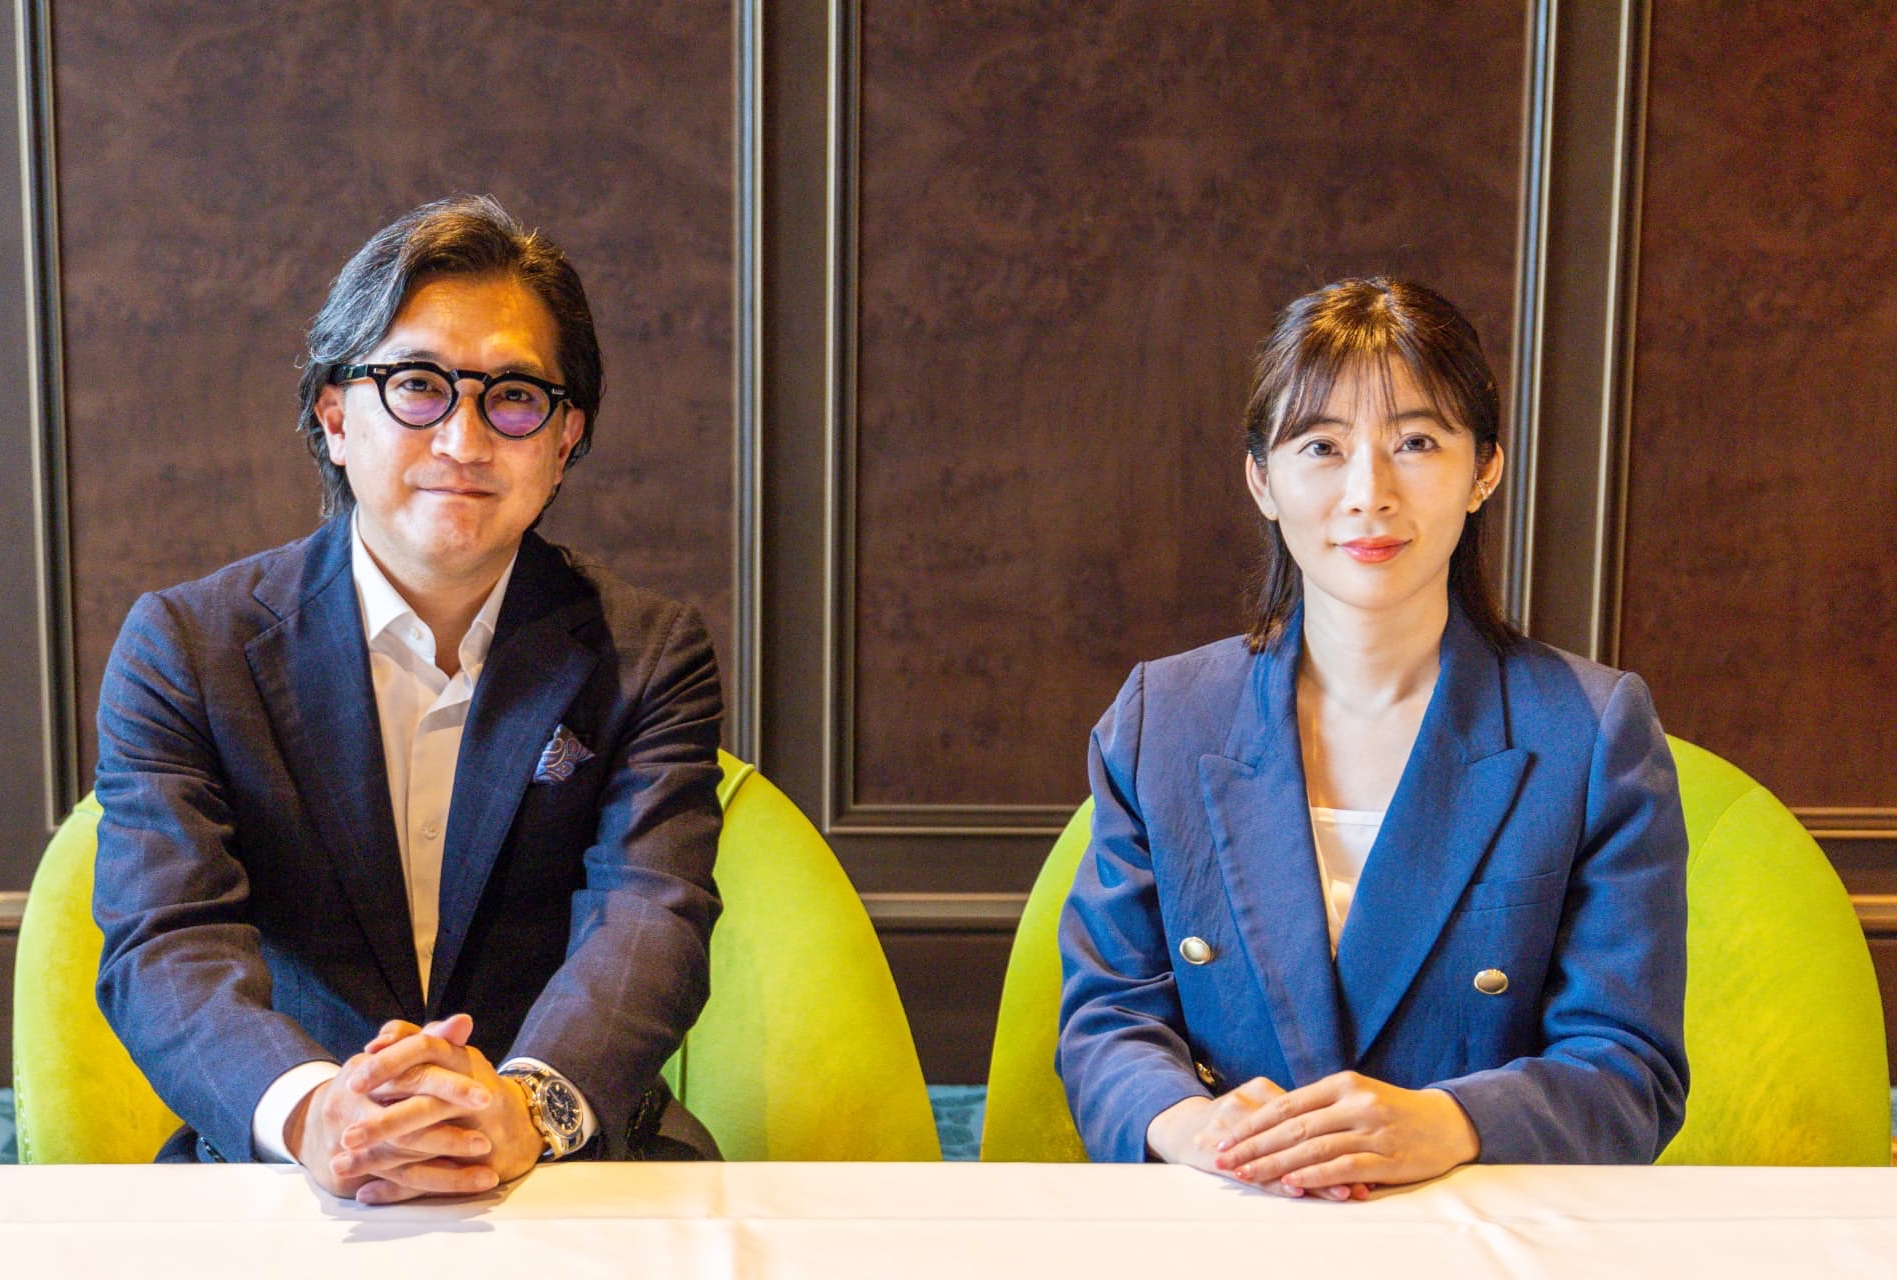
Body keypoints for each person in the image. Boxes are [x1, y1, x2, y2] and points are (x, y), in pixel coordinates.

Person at [92, 195, 724, 1202]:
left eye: (514, 397)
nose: (465, 441)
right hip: (291, 1165)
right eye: (418, 386)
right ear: (336, 415)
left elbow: (649, 916)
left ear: (564, 439)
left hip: (569, 1153)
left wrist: (525, 1109)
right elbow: (165, 937)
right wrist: (313, 1111)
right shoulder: (186, 646)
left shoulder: (649, 653)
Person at [1057, 277, 1688, 1198]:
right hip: (1228, 1213)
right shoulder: (1165, 718)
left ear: (1483, 470)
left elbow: (1629, 1066)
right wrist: (1197, 1127)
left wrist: (1451, 1123)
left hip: (1477, 1222)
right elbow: (1107, 1016)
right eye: (1321, 447)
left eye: (1416, 443)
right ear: (1261, 481)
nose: (1368, 494)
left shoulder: (1589, 733)